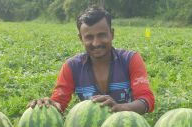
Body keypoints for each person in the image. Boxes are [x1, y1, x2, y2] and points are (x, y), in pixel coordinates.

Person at [27, 5, 155, 115]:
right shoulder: (72, 66)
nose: (96, 43)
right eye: (89, 37)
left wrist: (121, 108)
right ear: (80, 38)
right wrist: (45, 106)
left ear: (112, 34)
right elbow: (59, 103)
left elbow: (146, 100)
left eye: (102, 35)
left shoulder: (130, 59)